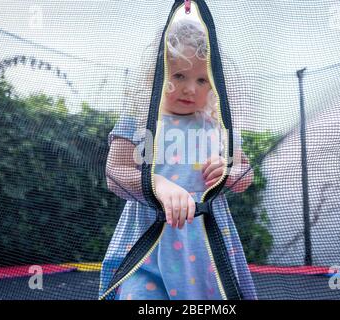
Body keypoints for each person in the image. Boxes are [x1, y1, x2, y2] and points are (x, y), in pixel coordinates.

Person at [99, 18, 256, 300]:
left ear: (214, 84)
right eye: (179, 76)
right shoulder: (140, 120)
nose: (190, 89)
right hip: (149, 243)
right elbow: (114, 172)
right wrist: (155, 183)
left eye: (201, 80)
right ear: (156, 76)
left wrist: (230, 173)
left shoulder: (217, 127)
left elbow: (246, 173)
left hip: (205, 245)